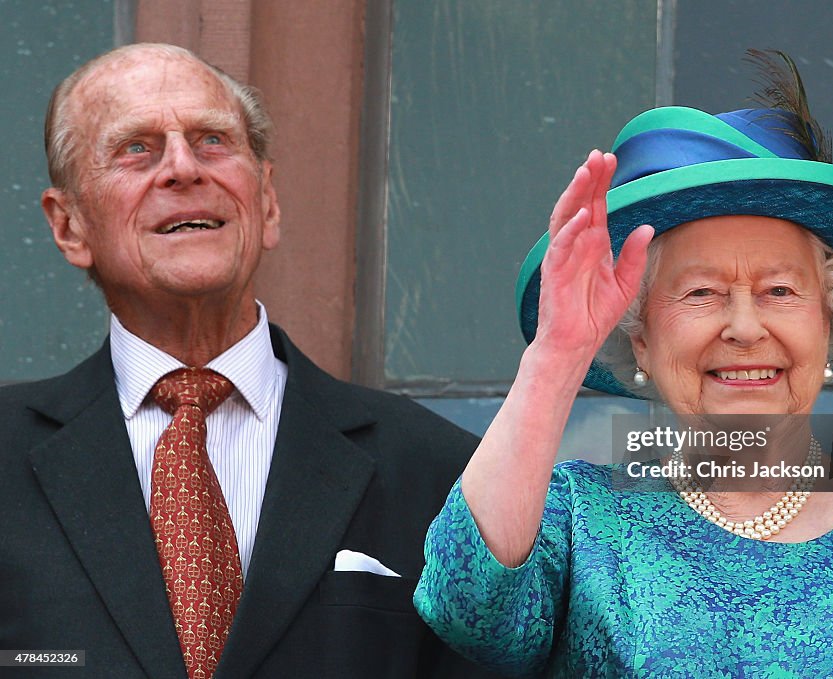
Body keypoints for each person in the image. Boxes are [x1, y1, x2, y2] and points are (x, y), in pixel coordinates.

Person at [414, 51, 833, 676]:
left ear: (829, 323)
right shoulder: (580, 524)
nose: (743, 327)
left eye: (779, 293)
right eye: (700, 293)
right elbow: (467, 605)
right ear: (642, 339)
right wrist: (557, 354)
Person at [0, 43, 495, 678]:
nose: (183, 168)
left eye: (212, 141)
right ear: (68, 226)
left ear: (266, 201)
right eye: (136, 149)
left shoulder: (436, 469)